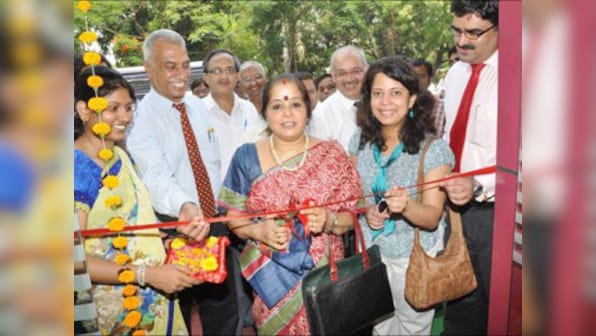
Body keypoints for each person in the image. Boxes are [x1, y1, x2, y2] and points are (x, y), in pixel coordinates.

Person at [218, 73, 363, 335]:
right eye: (277, 106)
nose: (287, 114)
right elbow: (233, 218)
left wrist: (329, 220)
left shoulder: (332, 153)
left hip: (324, 277)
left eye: (295, 104)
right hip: (272, 277)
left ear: (308, 110)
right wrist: (258, 231)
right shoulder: (246, 156)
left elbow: (353, 217)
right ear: (265, 112)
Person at [74, 66, 201, 335]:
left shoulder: (120, 156)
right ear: (84, 110)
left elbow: (132, 223)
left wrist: (169, 240)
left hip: (154, 294)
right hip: (115, 310)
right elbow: (72, 259)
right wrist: (146, 275)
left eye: (129, 108)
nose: (124, 117)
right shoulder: (76, 167)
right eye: (113, 108)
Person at [126, 29, 237, 335]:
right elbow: (155, 175)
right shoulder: (140, 120)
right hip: (175, 226)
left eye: (186, 65)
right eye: (170, 65)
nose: (181, 74)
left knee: (224, 309)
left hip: (214, 222)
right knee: (179, 313)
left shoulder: (198, 106)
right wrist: (185, 206)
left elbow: (213, 164)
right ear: (149, 68)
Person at [350, 56, 453, 335]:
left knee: (410, 330)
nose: (386, 102)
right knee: (379, 327)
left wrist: (406, 206)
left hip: (412, 259)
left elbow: (432, 217)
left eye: (396, 93)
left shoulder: (433, 150)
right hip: (371, 257)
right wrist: (366, 211)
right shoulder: (360, 141)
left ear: (412, 99)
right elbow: (354, 197)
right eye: (378, 93)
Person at [438, 1, 499, 334]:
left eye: (474, 32)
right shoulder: (456, 73)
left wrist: (479, 183)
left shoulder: (520, 75)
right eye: (457, 30)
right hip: (456, 213)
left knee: (500, 309)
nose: (462, 41)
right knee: (461, 309)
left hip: (499, 217)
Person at [202, 50, 261, 177]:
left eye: (229, 70)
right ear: (206, 77)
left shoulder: (249, 109)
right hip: (214, 193)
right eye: (217, 71)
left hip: (249, 190)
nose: (224, 76)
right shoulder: (197, 113)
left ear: (237, 76)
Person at [310, 45, 368, 151]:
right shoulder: (321, 115)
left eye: (356, 71)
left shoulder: (381, 103)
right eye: (342, 73)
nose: (349, 78)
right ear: (333, 76)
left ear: (366, 70)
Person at [411, 58, 446, 137]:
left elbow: (437, 135)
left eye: (421, 76)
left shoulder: (439, 106)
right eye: (413, 76)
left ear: (430, 80)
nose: (417, 80)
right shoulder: (400, 104)